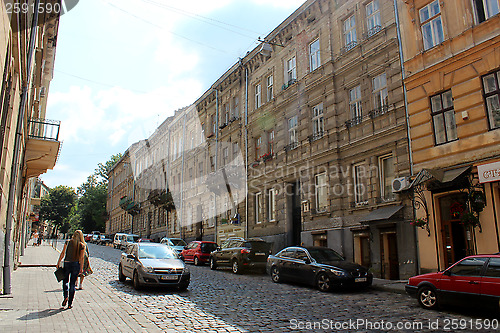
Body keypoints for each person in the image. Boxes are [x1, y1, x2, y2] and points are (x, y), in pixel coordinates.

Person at [56, 230, 85, 309]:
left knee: (65, 281)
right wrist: (81, 268)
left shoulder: (68, 242)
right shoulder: (81, 245)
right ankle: (70, 304)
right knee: (72, 283)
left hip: (67, 263)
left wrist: (58, 262)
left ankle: (65, 296)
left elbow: (63, 253)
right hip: (76, 264)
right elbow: (81, 258)